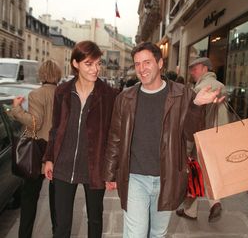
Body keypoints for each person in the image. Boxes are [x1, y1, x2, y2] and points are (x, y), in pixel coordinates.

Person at [103, 42, 224, 238]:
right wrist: (110, 172)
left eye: (147, 62)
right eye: (137, 64)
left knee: (158, 233)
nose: (142, 69)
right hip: (135, 178)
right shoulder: (125, 98)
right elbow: (115, 137)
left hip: (167, 177)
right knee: (136, 234)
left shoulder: (181, 94)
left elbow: (193, 132)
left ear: (160, 63)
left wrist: (197, 106)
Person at [43, 41, 118, 238]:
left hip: (94, 167)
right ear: (75, 64)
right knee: (61, 225)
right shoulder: (62, 92)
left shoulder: (108, 95)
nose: (96, 69)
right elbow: (55, 128)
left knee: (94, 220)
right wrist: (49, 157)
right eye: (89, 64)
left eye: (98, 63)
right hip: (63, 166)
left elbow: (113, 135)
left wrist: (111, 172)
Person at [7, 59, 62, 238]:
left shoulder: (36, 94)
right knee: (57, 204)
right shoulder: (63, 94)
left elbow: (34, 123)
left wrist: (16, 109)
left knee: (29, 200)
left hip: (37, 153)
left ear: (42, 74)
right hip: (57, 153)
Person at [176, 57, 229, 223]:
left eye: (195, 69)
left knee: (195, 172)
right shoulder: (220, 85)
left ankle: (195, 209)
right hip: (216, 135)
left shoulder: (203, 87)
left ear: (205, 68)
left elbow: (189, 114)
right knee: (207, 171)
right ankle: (210, 204)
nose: (192, 72)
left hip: (202, 136)